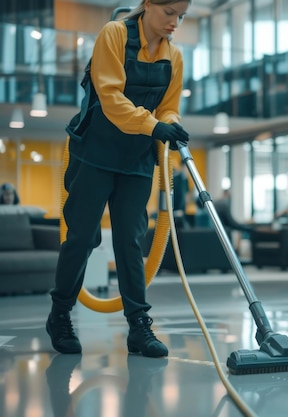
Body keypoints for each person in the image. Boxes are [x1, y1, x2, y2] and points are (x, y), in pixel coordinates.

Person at [46, 0, 191, 358]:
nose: (175, 23)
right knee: (82, 238)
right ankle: (60, 314)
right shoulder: (113, 35)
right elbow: (110, 98)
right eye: (169, 13)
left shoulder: (174, 56)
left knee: (130, 240)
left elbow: (168, 104)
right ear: (148, 5)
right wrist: (154, 125)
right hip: (94, 152)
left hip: (137, 159)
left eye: (182, 16)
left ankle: (139, 327)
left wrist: (169, 122)